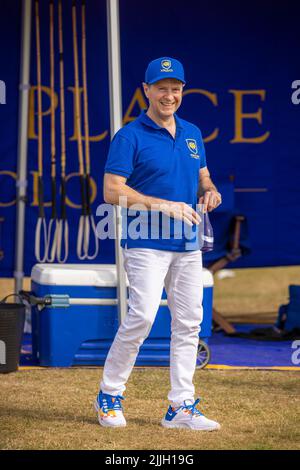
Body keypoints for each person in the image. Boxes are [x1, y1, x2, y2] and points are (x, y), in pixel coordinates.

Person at [94, 57, 222, 430]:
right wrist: (165, 206)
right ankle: (109, 394)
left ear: (183, 91)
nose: (169, 95)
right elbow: (111, 191)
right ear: (147, 90)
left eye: (176, 88)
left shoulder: (193, 133)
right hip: (145, 242)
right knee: (143, 316)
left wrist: (210, 191)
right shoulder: (129, 136)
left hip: (187, 243)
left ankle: (180, 406)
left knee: (189, 323)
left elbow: (203, 178)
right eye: (162, 88)